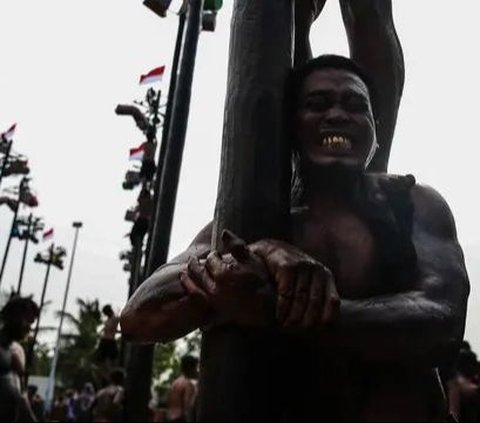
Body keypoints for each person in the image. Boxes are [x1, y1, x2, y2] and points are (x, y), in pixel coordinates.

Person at [121, 9, 469, 423]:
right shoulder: (252, 224)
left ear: (376, 127)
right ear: (290, 127)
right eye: (317, 104)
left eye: (355, 105)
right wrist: (261, 254)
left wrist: (275, 309)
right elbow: (140, 317)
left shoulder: (414, 206)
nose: (337, 115)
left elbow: (441, 321)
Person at [0, 296, 40, 422]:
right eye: (27, 321)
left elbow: (22, 399)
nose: (29, 328)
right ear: (13, 318)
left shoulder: (14, 353)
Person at [166, 355, 199, 422]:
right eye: (196, 368)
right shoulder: (188, 385)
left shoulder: (175, 384)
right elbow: (189, 408)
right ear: (191, 368)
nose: (197, 371)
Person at [95, 305, 119, 375]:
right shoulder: (108, 319)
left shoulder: (115, 318)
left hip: (109, 341)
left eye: (105, 313)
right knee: (101, 362)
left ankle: (112, 375)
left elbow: (114, 329)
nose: (105, 315)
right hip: (105, 341)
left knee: (109, 362)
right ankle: (108, 376)